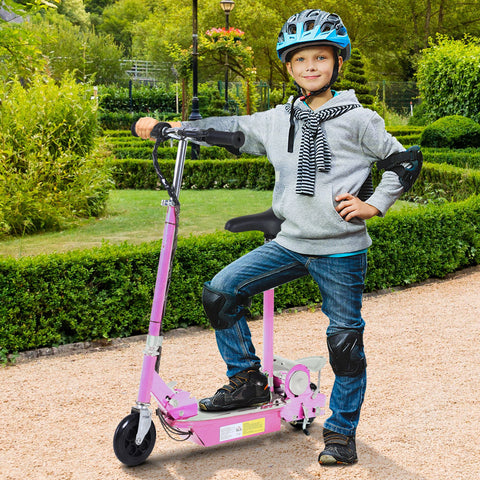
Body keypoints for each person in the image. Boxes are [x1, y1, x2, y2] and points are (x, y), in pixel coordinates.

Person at [136, 9, 421, 466]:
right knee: (220, 293)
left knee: (345, 345)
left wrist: (375, 204)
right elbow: (233, 129)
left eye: (320, 57)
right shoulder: (278, 120)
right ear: (289, 67)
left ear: (338, 62)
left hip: (341, 250)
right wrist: (171, 129)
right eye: (300, 59)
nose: (311, 66)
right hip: (290, 244)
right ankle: (248, 380)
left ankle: (341, 433)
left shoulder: (359, 119)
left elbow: (404, 160)